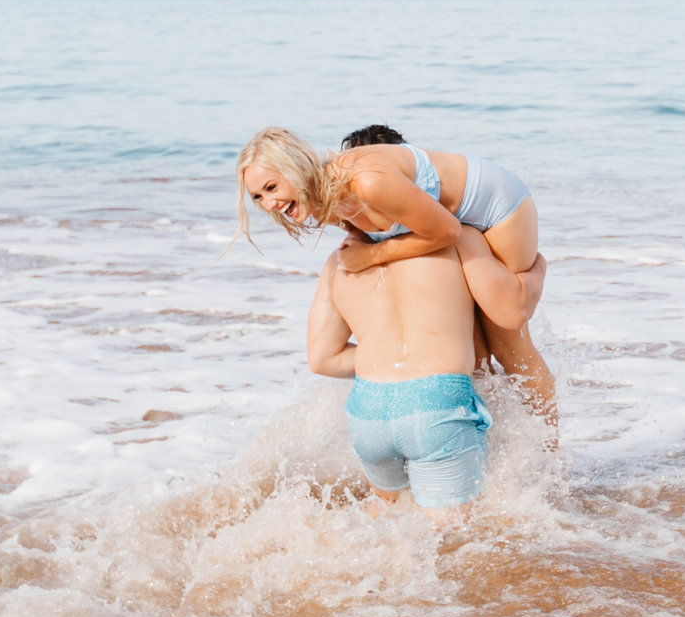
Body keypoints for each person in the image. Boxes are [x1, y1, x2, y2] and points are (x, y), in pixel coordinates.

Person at [237, 125, 554, 416]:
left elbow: (448, 232)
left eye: (271, 187)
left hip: (494, 206)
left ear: (295, 167)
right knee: (474, 357)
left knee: (508, 332)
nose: (269, 204)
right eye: (258, 197)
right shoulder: (326, 206)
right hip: (447, 222)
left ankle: (548, 461)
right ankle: (497, 448)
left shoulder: (367, 181)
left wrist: (373, 255)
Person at [308, 222, 545, 511]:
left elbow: (322, 359)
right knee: (454, 539)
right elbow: (512, 312)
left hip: (367, 410)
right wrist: (538, 268)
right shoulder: (461, 240)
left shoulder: (339, 261)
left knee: (387, 524)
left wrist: (384, 357)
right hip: (436, 402)